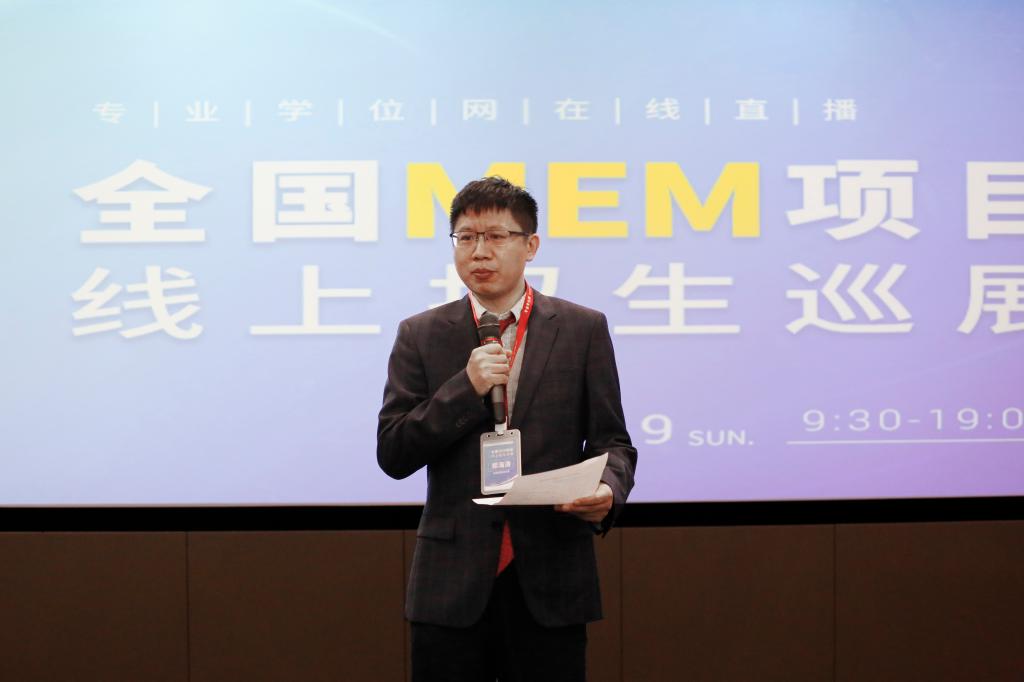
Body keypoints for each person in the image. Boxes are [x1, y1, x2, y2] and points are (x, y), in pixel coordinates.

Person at [377, 176, 637, 682]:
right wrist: (464, 389)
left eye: (496, 236)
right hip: (450, 582)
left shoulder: (582, 328)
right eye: (466, 237)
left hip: (552, 574)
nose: (479, 251)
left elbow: (613, 441)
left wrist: (609, 489)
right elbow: (394, 453)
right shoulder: (420, 334)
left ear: (530, 245)